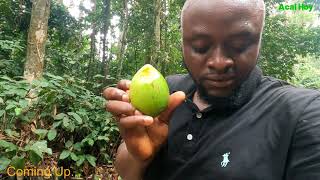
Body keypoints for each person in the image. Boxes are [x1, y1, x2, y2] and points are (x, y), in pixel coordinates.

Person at [103, 0, 320, 179]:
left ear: (259, 40)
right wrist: (140, 157)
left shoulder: (302, 114)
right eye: (200, 47)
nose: (218, 62)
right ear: (183, 43)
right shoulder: (168, 95)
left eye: (239, 45)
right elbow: (127, 173)